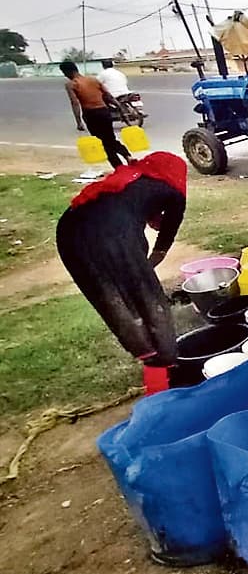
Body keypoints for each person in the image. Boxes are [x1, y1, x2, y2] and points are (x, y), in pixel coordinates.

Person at [56, 152, 188, 395]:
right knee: (150, 303)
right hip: (111, 232)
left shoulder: (129, 180)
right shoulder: (172, 190)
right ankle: (166, 378)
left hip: (68, 232)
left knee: (110, 298)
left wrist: (137, 267)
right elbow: (166, 235)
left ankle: (154, 367)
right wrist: (143, 270)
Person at [62, 60, 131, 168]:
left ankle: (119, 168)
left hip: (91, 115)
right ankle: (127, 155)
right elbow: (108, 96)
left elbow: (75, 103)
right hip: (104, 111)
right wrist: (120, 108)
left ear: (66, 72)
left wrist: (79, 122)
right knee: (110, 139)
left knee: (103, 143)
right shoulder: (93, 80)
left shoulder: (71, 84)